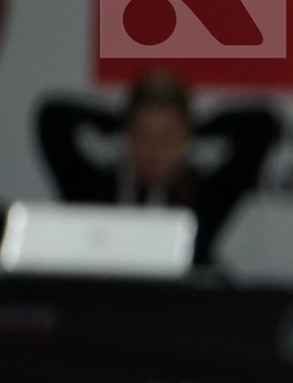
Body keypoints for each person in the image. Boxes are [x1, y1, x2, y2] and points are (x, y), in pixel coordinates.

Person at [35, 71, 280, 266]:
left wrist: (196, 128)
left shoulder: (203, 195)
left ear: (186, 138)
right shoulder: (94, 189)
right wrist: (116, 121)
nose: (154, 150)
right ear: (127, 134)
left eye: (168, 137)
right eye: (143, 135)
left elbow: (262, 126)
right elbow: (52, 118)